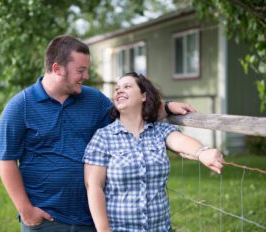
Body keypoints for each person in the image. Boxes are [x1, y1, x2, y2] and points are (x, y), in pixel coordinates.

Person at [0, 35, 195, 232]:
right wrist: (26, 211)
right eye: (80, 70)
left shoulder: (93, 99)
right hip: (46, 221)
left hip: (90, 218)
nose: (86, 76)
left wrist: (167, 107)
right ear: (57, 69)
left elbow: (130, 113)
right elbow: (6, 161)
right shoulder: (20, 106)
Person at [83, 72, 224, 232]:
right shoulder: (103, 137)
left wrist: (203, 152)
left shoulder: (160, 131)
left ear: (143, 96)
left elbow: (180, 142)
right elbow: (94, 186)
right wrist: (103, 230)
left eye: (127, 86)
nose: (119, 91)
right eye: (117, 89)